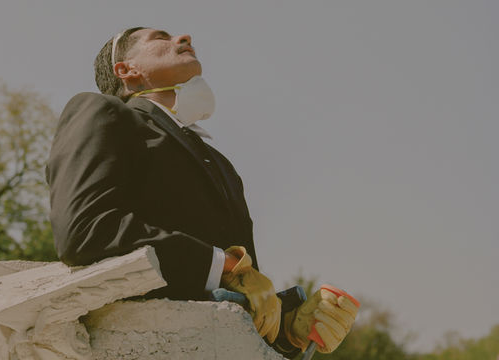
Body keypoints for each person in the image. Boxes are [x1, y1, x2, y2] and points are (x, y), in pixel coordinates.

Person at [46, 27, 358, 358]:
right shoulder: (102, 111)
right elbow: (85, 232)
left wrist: (288, 330)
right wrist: (226, 265)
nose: (184, 38)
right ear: (126, 70)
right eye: (160, 38)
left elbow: (241, 297)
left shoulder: (221, 165)